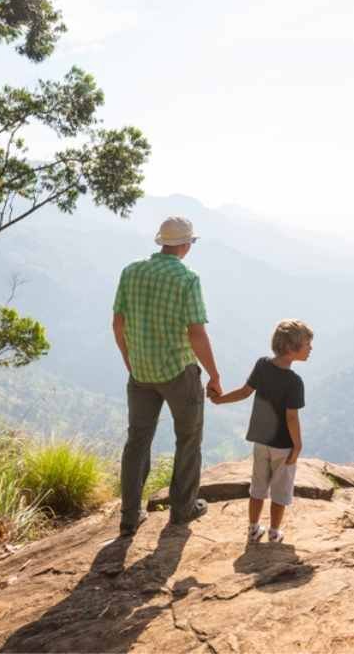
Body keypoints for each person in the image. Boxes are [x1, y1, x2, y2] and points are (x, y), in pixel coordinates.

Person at [112, 216, 223, 536]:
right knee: (188, 439)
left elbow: (118, 323)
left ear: (162, 242)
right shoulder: (187, 278)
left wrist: (128, 359)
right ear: (186, 244)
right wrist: (214, 375)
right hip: (178, 371)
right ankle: (182, 509)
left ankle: (130, 517)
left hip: (141, 371)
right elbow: (196, 333)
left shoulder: (131, 271)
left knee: (137, 442)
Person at [210, 318, 312, 544]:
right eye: (306, 344)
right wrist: (298, 446)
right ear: (290, 347)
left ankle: (253, 529)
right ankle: (275, 532)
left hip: (260, 440)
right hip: (283, 444)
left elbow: (245, 392)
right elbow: (291, 417)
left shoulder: (262, 365)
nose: (310, 348)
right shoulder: (294, 381)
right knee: (280, 490)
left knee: (258, 486)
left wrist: (220, 400)